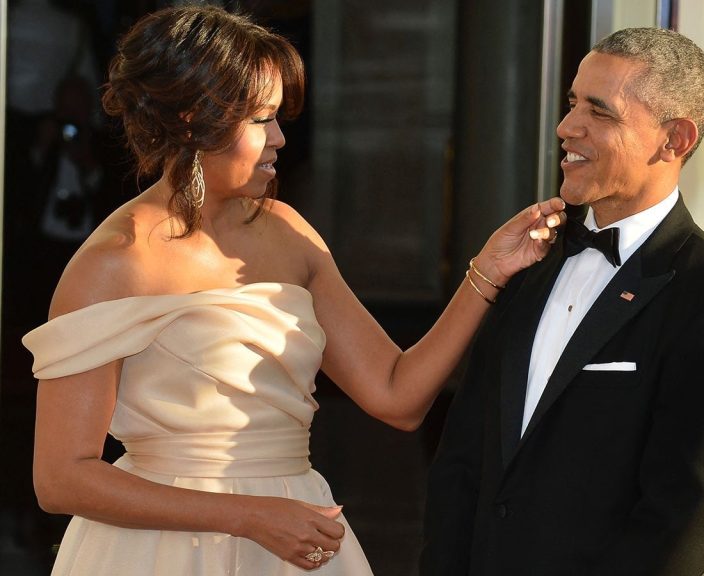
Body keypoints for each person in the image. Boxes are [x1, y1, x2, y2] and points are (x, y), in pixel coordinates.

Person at [21, 5, 565, 576]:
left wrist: (487, 272)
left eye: (278, 118)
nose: (280, 138)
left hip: (296, 536)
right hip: (162, 551)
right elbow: (61, 478)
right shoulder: (113, 263)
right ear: (190, 120)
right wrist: (248, 516)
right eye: (261, 120)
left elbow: (397, 396)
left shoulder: (286, 230)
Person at [420, 26, 704, 576]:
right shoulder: (527, 259)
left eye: (600, 112)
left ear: (673, 139)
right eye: (572, 102)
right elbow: (464, 460)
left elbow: (681, 518)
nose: (566, 127)